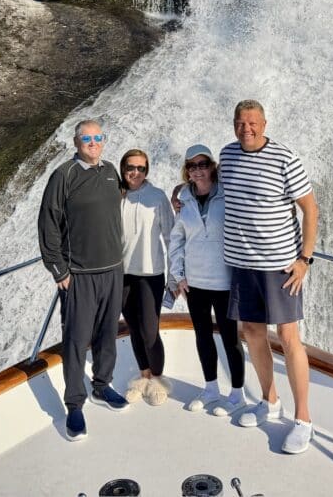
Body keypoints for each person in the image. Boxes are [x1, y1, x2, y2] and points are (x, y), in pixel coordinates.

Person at [219, 100, 319, 455]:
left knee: (289, 338)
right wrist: (181, 194)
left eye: (253, 123)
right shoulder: (227, 155)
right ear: (234, 125)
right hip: (241, 264)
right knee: (252, 332)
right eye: (240, 123)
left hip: (279, 267)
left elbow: (310, 208)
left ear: (264, 123)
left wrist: (305, 259)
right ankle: (269, 401)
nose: (247, 128)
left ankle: (303, 419)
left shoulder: (285, 159)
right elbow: (214, 189)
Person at [38, 119, 130, 442]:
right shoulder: (64, 176)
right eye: (86, 138)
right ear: (76, 142)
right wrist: (59, 270)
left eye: (97, 137)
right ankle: (74, 404)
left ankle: (102, 386)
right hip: (79, 276)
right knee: (76, 340)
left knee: (108, 333)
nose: (93, 143)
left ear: (103, 141)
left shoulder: (109, 173)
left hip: (112, 271)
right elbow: (48, 223)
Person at [169, 144, 246, 416]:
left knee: (230, 338)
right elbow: (176, 240)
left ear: (213, 166)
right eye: (192, 166)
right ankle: (211, 389)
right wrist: (179, 276)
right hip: (195, 283)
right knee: (203, 336)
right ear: (187, 172)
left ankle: (238, 394)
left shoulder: (227, 194)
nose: (198, 170)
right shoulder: (184, 200)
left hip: (225, 281)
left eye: (203, 164)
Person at [119, 148, 175, 406]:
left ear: (147, 171)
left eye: (141, 168)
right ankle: (143, 376)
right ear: (123, 168)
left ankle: (158, 379)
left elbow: (171, 236)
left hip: (150, 273)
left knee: (150, 332)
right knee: (134, 329)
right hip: (122, 274)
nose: (135, 173)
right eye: (131, 167)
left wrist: (175, 275)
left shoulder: (157, 197)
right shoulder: (116, 197)